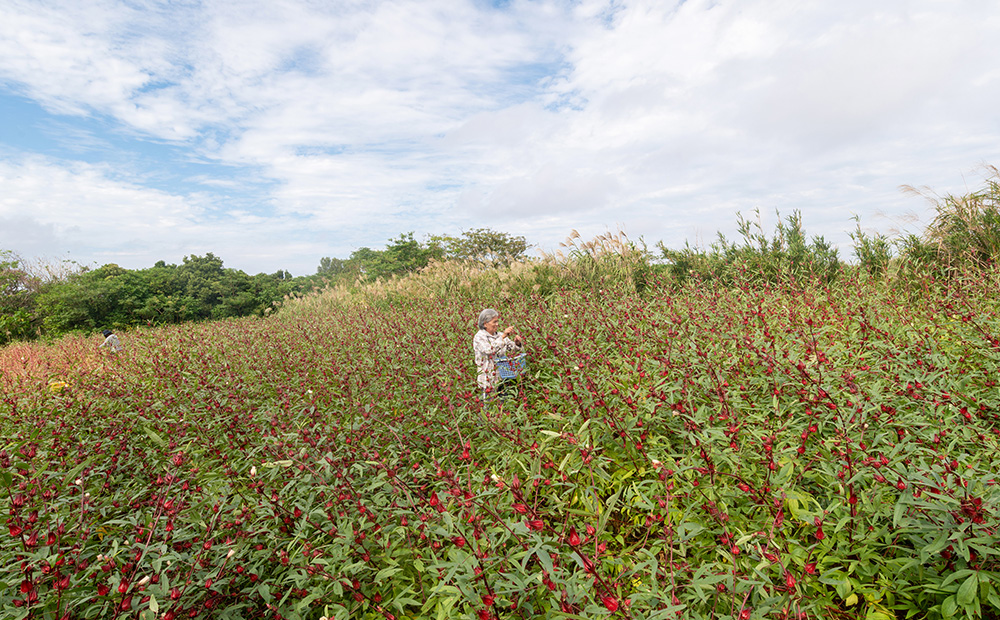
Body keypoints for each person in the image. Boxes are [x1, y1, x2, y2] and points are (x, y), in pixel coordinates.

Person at [473, 308, 523, 402]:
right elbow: (488, 350)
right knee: (488, 408)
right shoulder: (479, 337)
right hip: (487, 381)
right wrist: (503, 337)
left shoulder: (499, 335)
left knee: (503, 408)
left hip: (501, 379)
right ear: (485, 324)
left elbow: (513, 349)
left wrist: (517, 343)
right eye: (494, 322)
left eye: (497, 321)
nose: (497, 324)